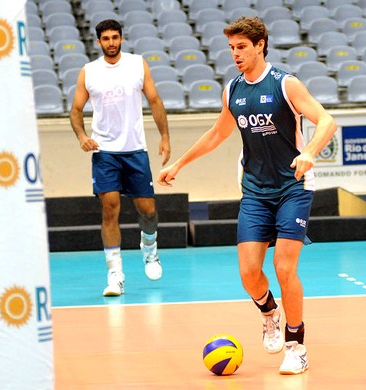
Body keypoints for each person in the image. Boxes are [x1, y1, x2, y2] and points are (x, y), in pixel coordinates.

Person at [157, 17, 337, 375]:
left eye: (242, 47)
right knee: (249, 272)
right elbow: (216, 133)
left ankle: (295, 345)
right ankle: (269, 312)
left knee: (284, 268)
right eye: (232, 48)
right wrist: (179, 164)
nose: (236, 54)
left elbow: (326, 121)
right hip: (255, 190)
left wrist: (310, 152)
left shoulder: (285, 83)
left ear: (260, 45)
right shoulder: (234, 90)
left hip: (293, 187)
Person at [70, 19, 171, 297]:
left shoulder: (137, 64)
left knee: (147, 210)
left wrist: (165, 137)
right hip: (104, 152)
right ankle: (115, 275)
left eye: (115, 37)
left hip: (135, 150)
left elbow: (155, 101)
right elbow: (76, 110)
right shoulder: (88, 72)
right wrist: (81, 137)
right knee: (110, 208)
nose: (111, 42)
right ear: (99, 42)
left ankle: (150, 251)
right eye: (106, 38)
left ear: (122, 39)